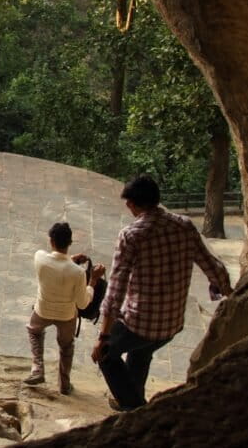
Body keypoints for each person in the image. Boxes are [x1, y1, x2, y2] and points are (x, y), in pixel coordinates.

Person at [93, 175, 234, 410]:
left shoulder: (132, 235)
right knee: (140, 354)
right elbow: (212, 265)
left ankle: (137, 409)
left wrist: (103, 337)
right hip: (172, 324)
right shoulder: (184, 225)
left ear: (133, 204)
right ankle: (132, 396)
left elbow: (116, 289)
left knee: (107, 356)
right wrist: (231, 292)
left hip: (140, 322)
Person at [24, 221, 104, 395]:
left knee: (34, 331)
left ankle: (37, 368)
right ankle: (64, 385)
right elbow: (83, 303)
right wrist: (93, 282)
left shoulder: (40, 258)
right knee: (66, 347)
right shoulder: (78, 273)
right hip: (67, 315)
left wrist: (70, 259)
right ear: (70, 243)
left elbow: (56, 263)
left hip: (43, 309)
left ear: (51, 241)